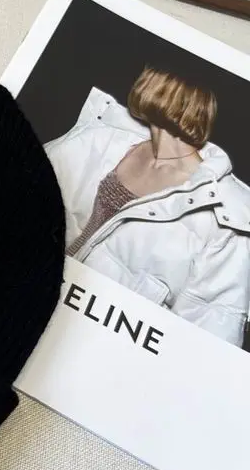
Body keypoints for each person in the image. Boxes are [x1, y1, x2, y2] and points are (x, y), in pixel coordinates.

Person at [45, 67, 250, 347]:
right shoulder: (101, 140)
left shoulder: (225, 218)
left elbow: (207, 341)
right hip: (33, 303)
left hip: (96, 346)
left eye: (149, 77)